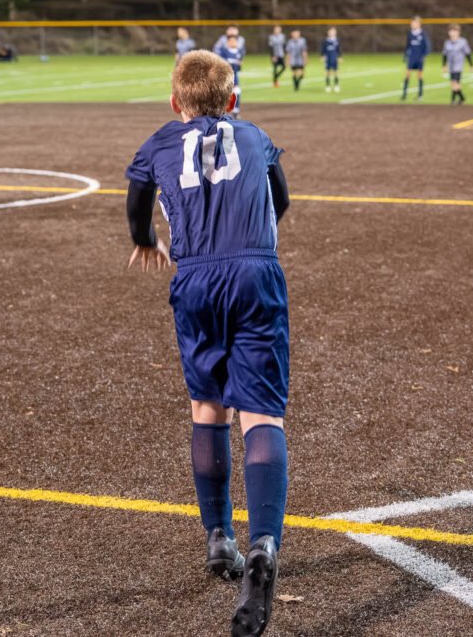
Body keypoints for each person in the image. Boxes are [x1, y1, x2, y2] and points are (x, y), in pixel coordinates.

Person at [125, 50, 290, 637]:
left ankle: (219, 537)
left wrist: (145, 239)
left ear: (175, 102)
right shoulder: (255, 135)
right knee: (262, 413)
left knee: (207, 407)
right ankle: (264, 545)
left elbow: (137, 202)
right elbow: (281, 199)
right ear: (233, 100)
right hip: (255, 272)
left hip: (194, 278)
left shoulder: (159, 142)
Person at [441, 23, 473, 105]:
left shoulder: (462, 42)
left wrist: (471, 65)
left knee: (455, 82)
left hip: (458, 65)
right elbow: (444, 55)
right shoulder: (447, 43)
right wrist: (444, 65)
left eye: (454, 31)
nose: (452, 33)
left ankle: (452, 99)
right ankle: (462, 98)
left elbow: (468, 54)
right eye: (451, 31)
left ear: (458, 32)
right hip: (451, 66)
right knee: (454, 82)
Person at [401, 16, 431, 101]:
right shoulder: (410, 34)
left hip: (419, 58)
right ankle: (404, 94)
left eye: (414, 23)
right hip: (412, 57)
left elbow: (427, 47)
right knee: (407, 74)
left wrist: (423, 56)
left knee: (419, 76)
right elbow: (407, 45)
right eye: (412, 23)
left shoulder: (423, 34)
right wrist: (405, 55)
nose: (412, 24)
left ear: (419, 24)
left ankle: (420, 95)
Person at [218, 33, 244, 116]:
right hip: (226, 77)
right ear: (228, 42)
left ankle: (236, 111)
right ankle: (223, 110)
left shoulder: (239, 52)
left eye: (234, 41)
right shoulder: (224, 52)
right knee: (224, 93)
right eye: (231, 41)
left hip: (235, 76)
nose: (233, 43)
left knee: (237, 91)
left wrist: (238, 64)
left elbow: (239, 67)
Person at [320, 27, 342, 93]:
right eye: (331, 32)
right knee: (328, 72)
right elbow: (323, 49)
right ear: (328, 33)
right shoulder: (325, 41)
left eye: (333, 32)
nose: (332, 33)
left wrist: (340, 57)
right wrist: (322, 56)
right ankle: (328, 85)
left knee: (336, 71)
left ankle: (336, 85)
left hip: (334, 57)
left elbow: (339, 49)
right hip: (328, 58)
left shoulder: (337, 40)